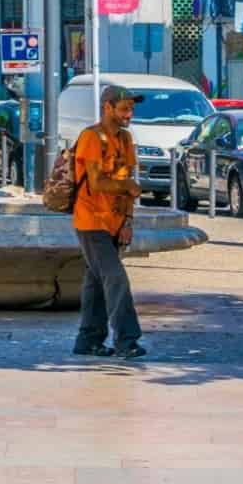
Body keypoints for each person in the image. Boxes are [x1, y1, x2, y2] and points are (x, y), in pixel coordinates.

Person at [73, 84, 145, 360]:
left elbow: (129, 186)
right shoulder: (92, 138)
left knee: (95, 281)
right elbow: (96, 182)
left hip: (114, 222)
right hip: (91, 221)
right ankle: (127, 340)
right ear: (108, 108)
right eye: (125, 108)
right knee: (115, 279)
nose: (129, 114)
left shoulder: (126, 140)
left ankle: (88, 340)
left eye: (132, 109)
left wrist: (128, 221)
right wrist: (127, 183)